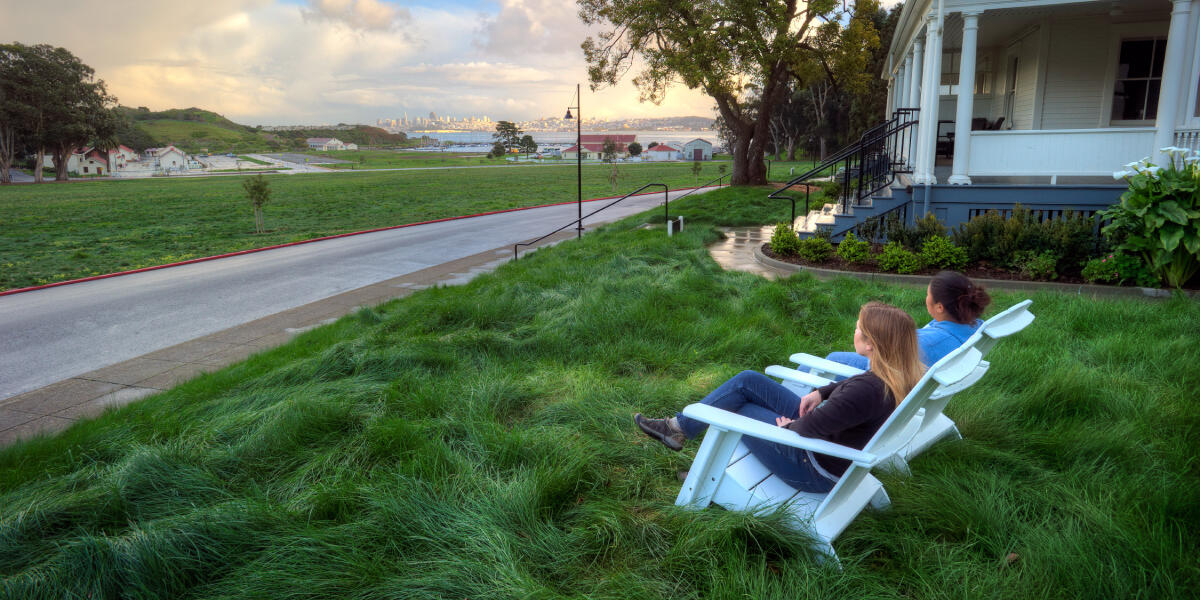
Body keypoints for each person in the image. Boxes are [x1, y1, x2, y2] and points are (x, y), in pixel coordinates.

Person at [634, 302, 924, 493]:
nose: (855, 329)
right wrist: (821, 392)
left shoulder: (867, 390)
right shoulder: (895, 376)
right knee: (748, 380)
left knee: (736, 409)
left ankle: (704, 476)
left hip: (810, 463)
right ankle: (678, 429)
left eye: (859, 327)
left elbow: (810, 426)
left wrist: (789, 428)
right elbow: (852, 389)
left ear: (871, 343)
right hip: (827, 444)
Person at [826, 271, 991, 371]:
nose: (926, 298)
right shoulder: (974, 326)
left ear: (939, 307)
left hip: (885, 380)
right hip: (918, 375)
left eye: (928, 295)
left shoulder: (925, 343)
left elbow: (882, 371)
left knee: (831, 359)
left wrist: (864, 348)